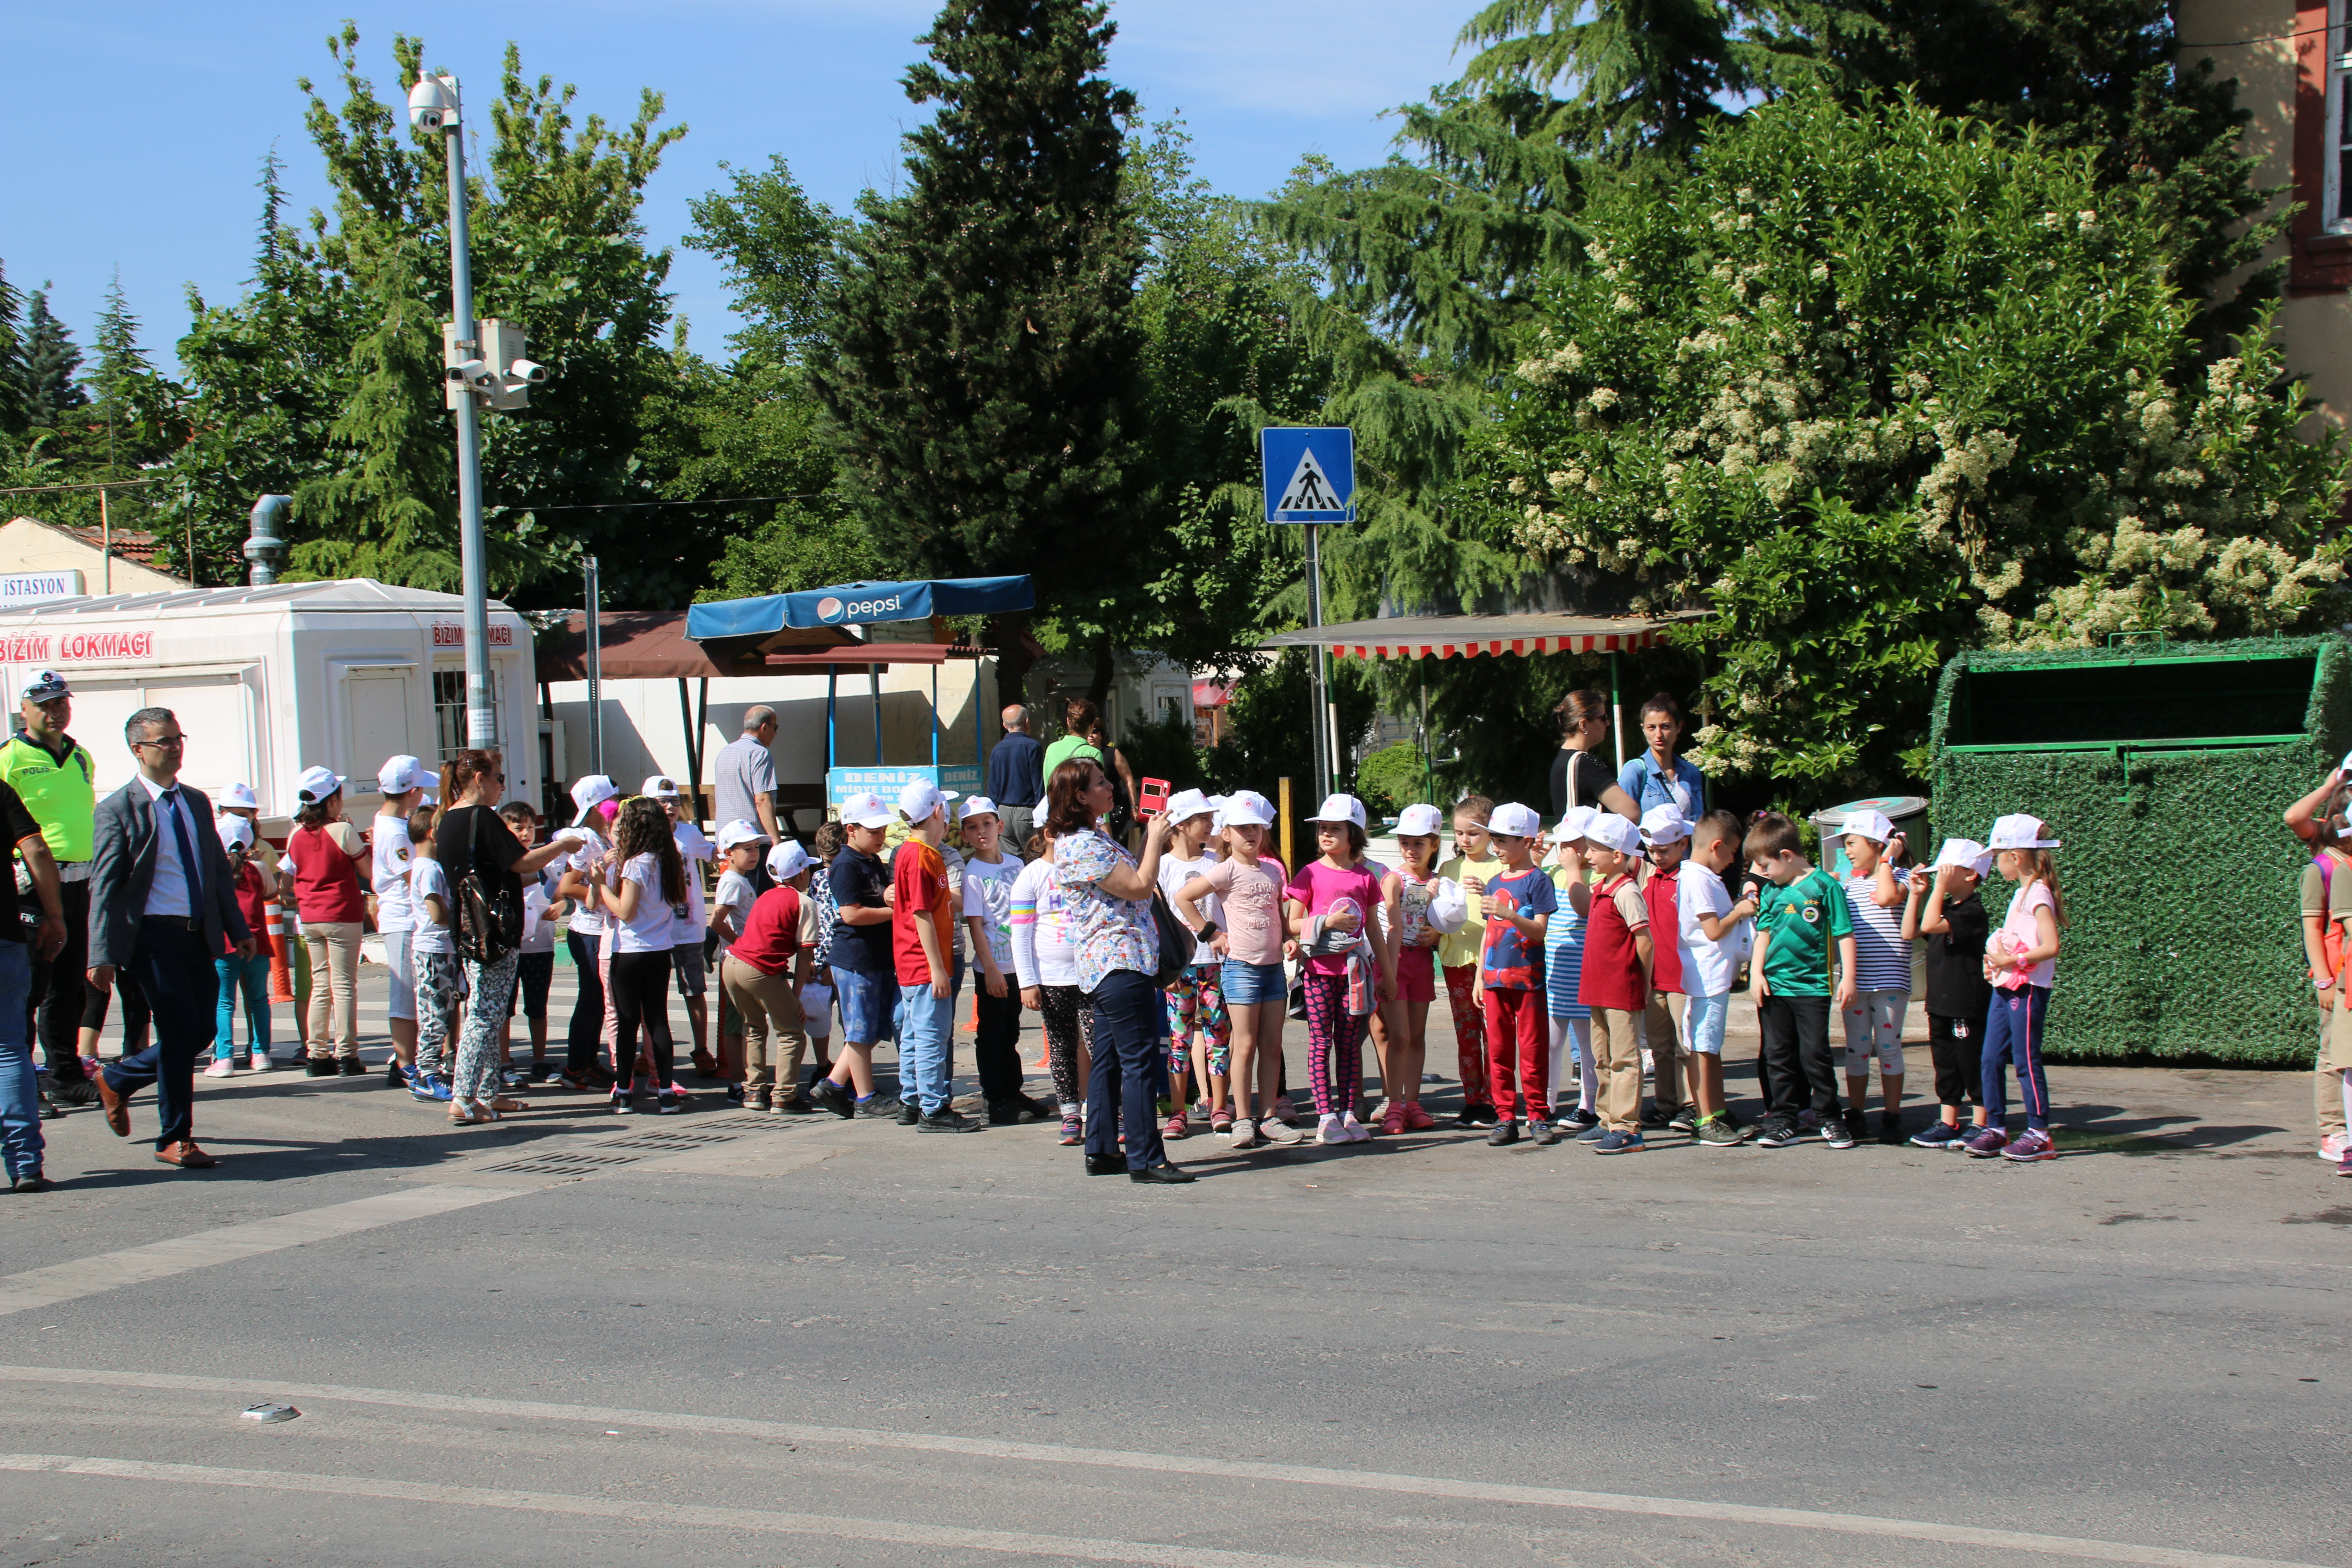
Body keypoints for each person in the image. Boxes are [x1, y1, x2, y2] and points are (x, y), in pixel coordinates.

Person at [87, 707, 251, 1170]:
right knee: (179, 1029)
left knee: (201, 1030)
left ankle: (119, 1078)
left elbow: (219, 871)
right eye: (164, 741)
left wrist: (238, 930)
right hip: (152, 937)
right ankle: (175, 1136)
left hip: (199, 933)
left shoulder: (197, 802)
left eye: (179, 738)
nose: (175, 747)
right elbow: (105, 885)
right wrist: (99, 953)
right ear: (138, 750)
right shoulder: (118, 810)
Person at [1051, 758, 1191, 1183]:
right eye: (1100, 783)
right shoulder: (1081, 844)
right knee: (1140, 1062)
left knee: (1111, 1060)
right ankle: (1147, 1158)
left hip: (1114, 963)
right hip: (1119, 961)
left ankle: (1102, 1149)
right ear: (1079, 796)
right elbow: (1138, 886)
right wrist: (1152, 839)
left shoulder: (1090, 837)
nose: (1110, 787)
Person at [437, 751, 582, 1122]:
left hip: (472, 927)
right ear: (479, 780)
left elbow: (498, 869)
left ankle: (487, 1093)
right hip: (493, 930)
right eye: (499, 778)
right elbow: (521, 863)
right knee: (484, 1016)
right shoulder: (480, 816)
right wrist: (561, 846)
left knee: (489, 1009)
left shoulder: (449, 819)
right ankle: (465, 1096)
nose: (503, 786)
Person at [1, 670, 98, 1114]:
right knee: (28, 986)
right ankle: (22, 1083)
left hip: (79, 878)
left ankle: (65, 1077)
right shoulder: (11, 757)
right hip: (33, 884)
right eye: (45, 704)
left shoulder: (81, 757)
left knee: (69, 986)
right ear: (24, 710)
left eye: (62, 702)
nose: (56, 711)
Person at [1173, 789, 1292, 1152]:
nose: (1251, 834)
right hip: (1240, 969)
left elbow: (1279, 916)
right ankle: (1242, 1118)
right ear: (1226, 834)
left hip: (1273, 970)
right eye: (1242, 828)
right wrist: (1212, 934)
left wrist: (1288, 938)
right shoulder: (1224, 870)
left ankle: (1269, 1115)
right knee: (1244, 1045)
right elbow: (1183, 898)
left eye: (1256, 827)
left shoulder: (1273, 870)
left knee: (1272, 1045)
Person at [1285, 794, 1395, 1145]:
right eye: (1323, 828)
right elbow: (1292, 923)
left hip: (1356, 978)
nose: (1327, 834)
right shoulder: (1309, 874)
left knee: (1349, 1045)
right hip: (1317, 973)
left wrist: (1388, 974)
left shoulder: (1366, 878)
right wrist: (1327, 921)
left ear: (1355, 835)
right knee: (1321, 1043)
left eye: (1336, 829)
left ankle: (1348, 1112)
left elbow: (1374, 929)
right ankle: (1325, 1117)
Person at [1746, 811, 1859, 1150]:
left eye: (1765, 866)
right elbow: (1763, 935)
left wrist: (1848, 977)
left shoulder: (1825, 886)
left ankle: (1829, 1117)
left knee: (1815, 1054)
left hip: (1812, 987)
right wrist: (1756, 973)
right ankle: (1783, 1118)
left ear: (1787, 856)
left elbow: (1844, 933)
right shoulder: (1771, 892)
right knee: (1777, 1055)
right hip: (1774, 987)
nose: (1762, 873)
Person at [1971, 813, 2067, 1163]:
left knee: (2026, 1060)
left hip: (2028, 990)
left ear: (2016, 857)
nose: (1995, 864)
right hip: (2007, 987)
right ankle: (1995, 1128)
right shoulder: (2021, 894)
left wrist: (2010, 962)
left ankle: (2040, 1134)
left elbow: (2051, 946)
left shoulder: (2039, 893)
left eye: (1998, 856)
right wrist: (1997, 962)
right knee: (1990, 1057)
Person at [891, 778, 975, 1133]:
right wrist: (938, 968)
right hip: (925, 963)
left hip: (913, 961)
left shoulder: (914, 853)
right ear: (938, 812)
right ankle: (933, 1107)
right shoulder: (922, 856)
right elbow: (922, 914)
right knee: (931, 1034)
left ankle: (912, 1100)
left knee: (914, 1032)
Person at [812, 793, 901, 1119]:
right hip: (855, 959)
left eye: (883, 830)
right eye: (874, 831)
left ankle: (833, 1084)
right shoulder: (847, 864)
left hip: (875, 957)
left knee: (873, 1029)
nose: (881, 837)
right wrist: (893, 912)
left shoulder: (872, 861)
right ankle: (866, 1096)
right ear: (851, 829)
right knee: (861, 1031)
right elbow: (850, 914)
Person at [1473, 801, 1556, 1147]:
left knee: (1533, 1049)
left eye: (1505, 840)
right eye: (1495, 839)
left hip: (1529, 981)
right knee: (1498, 1050)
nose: (1498, 847)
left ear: (1526, 842)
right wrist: (1480, 976)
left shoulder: (1538, 881)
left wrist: (1508, 912)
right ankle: (1506, 1117)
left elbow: (1538, 932)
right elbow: (1488, 935)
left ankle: (1538, 1115)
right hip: (1495, 982)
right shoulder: (1494, 881)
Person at [1904, 837, 1994, 1150]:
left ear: (1970, 874)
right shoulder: (1943, 907)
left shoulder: (1972, 911)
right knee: (1946, 1064)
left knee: (1972, 1063)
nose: (1940, 875)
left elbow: (1929, 925)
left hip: (1966, 1003)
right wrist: (1918, 894)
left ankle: (1983, 1122)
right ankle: (1949, 1121)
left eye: (1947, 870)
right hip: (1940, 1001)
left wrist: (1937, 887)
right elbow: (1910, 932)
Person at [0, 769, 66, 1191]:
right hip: (4, 937)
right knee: (8, 1050)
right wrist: (55, 915)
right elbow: (37, 851)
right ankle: (26, 1163)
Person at [2284, 763, 2352, 1162]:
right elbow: (2294, 817)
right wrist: (2323, 981)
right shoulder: (2326, 849)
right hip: (2337, 974)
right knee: (2332, 1053)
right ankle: (2334, 1133)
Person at [1678, 808, 1758, 1146]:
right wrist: (1741, 911)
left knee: (1710, 1047)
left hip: (1714, 975)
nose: (1732, 860)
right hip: (1706, 977)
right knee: (1704, 1049)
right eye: (1732, 851)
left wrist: (1737, 904)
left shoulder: (1702, 878)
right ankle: (1706, 1119)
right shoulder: (1697, 878)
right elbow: (1712, 930)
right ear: (1716, 846)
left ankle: (1718, 1112)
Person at [723, 839, 820, 1114]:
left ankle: (754, 1091)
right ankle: (785, 1096)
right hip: (759, 969)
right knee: (791, 1031)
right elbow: (805, 955)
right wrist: (795, 998)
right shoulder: (804, 902)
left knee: (754, 1028)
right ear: (802, 873)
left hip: (732, 963)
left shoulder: (766, 895)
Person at [959, 796, 1041, 1124]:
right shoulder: (973, 873)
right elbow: (977, 926)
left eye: (987, 824)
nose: (982, 832)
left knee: (1012, 1032)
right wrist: (989, 969)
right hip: (993, 967)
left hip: (1018, 966)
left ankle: (1013, 1089)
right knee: (992, 1034)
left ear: (1000, 826)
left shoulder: (1015, 864)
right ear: (964, 834)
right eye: (973, 827)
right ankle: (995, 1097)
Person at [1012, 819, 1093, 1144]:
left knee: (1098, 1044)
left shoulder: (1088, 868)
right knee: (1061, 1046)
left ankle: (1100, 1108)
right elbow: (1020, 934)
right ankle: (1070, 1112)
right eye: (1069, 833)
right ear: (1048, 836)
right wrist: (1027, 982)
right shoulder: (1030, 876)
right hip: (1050, 980)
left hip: (1092, 976)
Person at [283, 765, 368, 1075]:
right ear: (331, 801)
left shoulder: (295, 834)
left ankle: (317, 1054)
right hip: (341, 913)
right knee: (344, 984)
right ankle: (347, 1054)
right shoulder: (343, 831)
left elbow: (289, 874)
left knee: (321, 984)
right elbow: (367, 871)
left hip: (310, 916)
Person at [1576, 811, 1653, 1155]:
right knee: (1602, 1056)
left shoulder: (1626, 890)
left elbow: (1645, 940)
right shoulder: (1601, 887)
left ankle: (1627, 1127)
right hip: (1598, 987)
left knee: (1624, 1059)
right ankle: (1607, 1119)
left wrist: (1645, 982)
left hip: (1621, 989)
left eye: (1594, 850)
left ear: (1618, 856)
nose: (1588, 856)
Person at [1838, 807, 1914, 1144]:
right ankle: (1855, 1113)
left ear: (1876, 843)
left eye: (1852, 842)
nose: (1847, 850)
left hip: (1890, 980)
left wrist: (1887, 861)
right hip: (1857, 979)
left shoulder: (1901, 876)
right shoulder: (1850, 885)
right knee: (1856, 1048)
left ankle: (1892, 1116)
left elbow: (1886, 898)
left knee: (1888, 1047)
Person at [1154, 790, 1226, 1140]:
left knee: (1218, 1036)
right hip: (1179, 970)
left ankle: (1220, 1107)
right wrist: (1163, 970)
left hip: (1215, 965)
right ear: (1181, 825)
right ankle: (1177, 1112)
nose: (1211, 824)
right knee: (1179, 1039)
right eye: (1204, 819)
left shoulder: (1215, 863)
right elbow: (1157, 919)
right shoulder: (1163, 866)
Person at [1434, 796, 1501, 1126]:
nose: (1465, 840)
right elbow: (1439, 912)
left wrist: (1489, 891)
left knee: (1495, 1031)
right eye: (1459, 833)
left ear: (1489, 832)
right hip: (1457, 957)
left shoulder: (1500, 867)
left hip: (1492, 959)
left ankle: (1497, 1097)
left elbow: (1508, 908)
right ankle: (1473, 1098)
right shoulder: (1449, 868)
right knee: (1467, 1032)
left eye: (1473, 833)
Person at [1379, 802, 1444, 1136]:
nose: (1410, 849)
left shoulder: (1439, 879)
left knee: (1416, 1036)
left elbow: (1448, 920)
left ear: (1435, 843)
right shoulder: (1394, 879)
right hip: (1395, 961)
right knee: (1399, 1036)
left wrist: (1437, 932)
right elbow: (1390, 925)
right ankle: (1393, 1104)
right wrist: (1389, 972)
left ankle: (1413, 1103)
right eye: (1405, 842)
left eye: (1419, 843)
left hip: (1421, 962)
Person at [646, 776, 717, 1077]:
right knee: (651, 994)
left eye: (675, 801)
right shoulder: (643, 836)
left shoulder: (689, 834)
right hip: (653, 929)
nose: (670, 807)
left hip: (688, 927)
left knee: (693, 989)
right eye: (662, 802)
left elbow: (715, 855)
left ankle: (701, 1049)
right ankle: (647, 1051)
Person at [554, 775, 619, 1091]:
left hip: (603, 929)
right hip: (587, 931)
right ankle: (576, 1067)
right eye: (613, 800)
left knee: (599, 1001)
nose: (617, 806)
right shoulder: (583, 839)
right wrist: (601, 890)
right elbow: (567, 886)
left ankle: (589, 1062)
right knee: (591, 1000)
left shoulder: (603, 835)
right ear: (597, 806)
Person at [372, 755, 433, 1087]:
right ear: (411, 792)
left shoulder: (390, 824)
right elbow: (412, 874)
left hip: (404, 916)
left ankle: (408, 1059)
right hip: (402, 918)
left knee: (412, 991)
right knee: (406, 992)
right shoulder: (395, 831)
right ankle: (404, 1062)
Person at [1544, 807, 1600, 1136]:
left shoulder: (1593, 874)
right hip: (1555, 972)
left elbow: (1583, 908)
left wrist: (1574, 870)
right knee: (1550, 1043)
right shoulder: (1553, 872)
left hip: (1583, 974)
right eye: (1562, 842)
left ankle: (1588, 1106)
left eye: (1573, 843)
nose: (1565, 849)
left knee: (1588, 1044)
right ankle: (1547, 1105)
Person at [407, 805, 466, 1115]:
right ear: (433, 833)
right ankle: (426, 1074)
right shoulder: (429, 869)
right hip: (434, 949)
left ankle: (435, 1069)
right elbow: (437, 913)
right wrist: (462, 916)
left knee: (443, 1010)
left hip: (440, 949)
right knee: (435, 1013)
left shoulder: (430, 866)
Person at [1637, 805, 1692, 1133]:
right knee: (1659, 1046)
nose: (1657, 857)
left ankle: (1690, 1105)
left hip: (1684, 980)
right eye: (1652, 851)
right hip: (1655, 978)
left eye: (1664, 850)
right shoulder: (1650, 878)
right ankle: (1666, 1102)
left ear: (1683, 844)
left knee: (1684, 1046)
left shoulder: (1690, 879)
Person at [207, 816, 274, 1077]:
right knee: (258, 1000)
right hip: (257, 943)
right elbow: (270, 892)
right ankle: (261, 1054)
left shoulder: (213, 870)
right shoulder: (258, 867)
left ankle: (224, 1058)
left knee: (224, 1003)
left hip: (224, 946)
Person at [499, 799, 557, 1084]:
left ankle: (540, 1060)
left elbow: (561, 893)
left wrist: (561, 906)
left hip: (541, 945)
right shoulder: (500, 862)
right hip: (509, 946)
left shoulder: (543, 859)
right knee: (504, 1007)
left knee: (537, 1005)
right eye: (519, 827)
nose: (526, 833)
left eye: (531, 827)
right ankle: (504, 1061)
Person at [709, 818, 765, 1099]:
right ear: (728, 853)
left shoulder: (739, 879)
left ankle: (745, 1080)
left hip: (743, 960)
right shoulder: (732, 881)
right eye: (746, 849)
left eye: (756, 848)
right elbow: (717, 921)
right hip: (737, 961)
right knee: (736, 1025)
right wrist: (741, 945)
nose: (754, 854)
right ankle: (737, 1082)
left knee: (747, 1023)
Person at [1549, 690, 1642, 824]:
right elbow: (1632, 813)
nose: (1608, 724)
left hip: (1569, 843)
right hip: (1589, 844)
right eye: (1603, 719)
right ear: (1584, 725)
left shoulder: (1562, 759)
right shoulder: (1586, 763)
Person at [1616, 693, 1707, 819]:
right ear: (1643, 729)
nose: (1658, 734)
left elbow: (1698, 818)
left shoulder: (1692, 772)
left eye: (1665, 727)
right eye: (1652, 728)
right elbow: (1623, 822)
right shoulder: (1635, 771)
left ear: (1678, 727)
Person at [715, 708, 783, 852]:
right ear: (764, 728)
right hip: (751, 839)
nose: (776, 733)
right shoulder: (760, 753)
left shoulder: (725, 751)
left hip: (726, 839)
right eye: (775, 727)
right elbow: (762, 800)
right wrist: (775, 840)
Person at [987, 705, 1046, 851]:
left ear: (1005, 725)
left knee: (1011, 863)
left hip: (1003, 813)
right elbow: (1038, 785)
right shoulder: (1033, 747)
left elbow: (992, 789)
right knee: (1035, 858)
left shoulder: (997, 750)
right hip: (1027, 812)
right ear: (1027, 722)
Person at [1041, 699, 1106, 780]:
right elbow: (1098, 788)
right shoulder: (1093, 753)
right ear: (1092, 725)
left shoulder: (1052, 748)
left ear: (1068, 722)